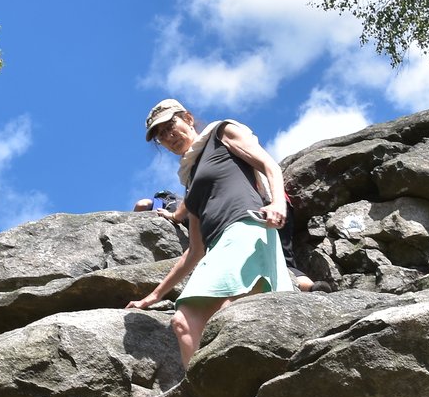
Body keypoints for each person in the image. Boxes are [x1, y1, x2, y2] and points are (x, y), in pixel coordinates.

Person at [127, 98, 309, 366]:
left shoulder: (221, 133)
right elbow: (195, 251)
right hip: (217, 249)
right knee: (183, 321)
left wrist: (277, 203)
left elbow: (269, 165)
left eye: (170, 126)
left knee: (229, 316)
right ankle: (201, 389)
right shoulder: (190, 179)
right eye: (161, 135)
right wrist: (153, 296)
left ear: (188, 118)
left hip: (246, 229)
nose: (168, 137)